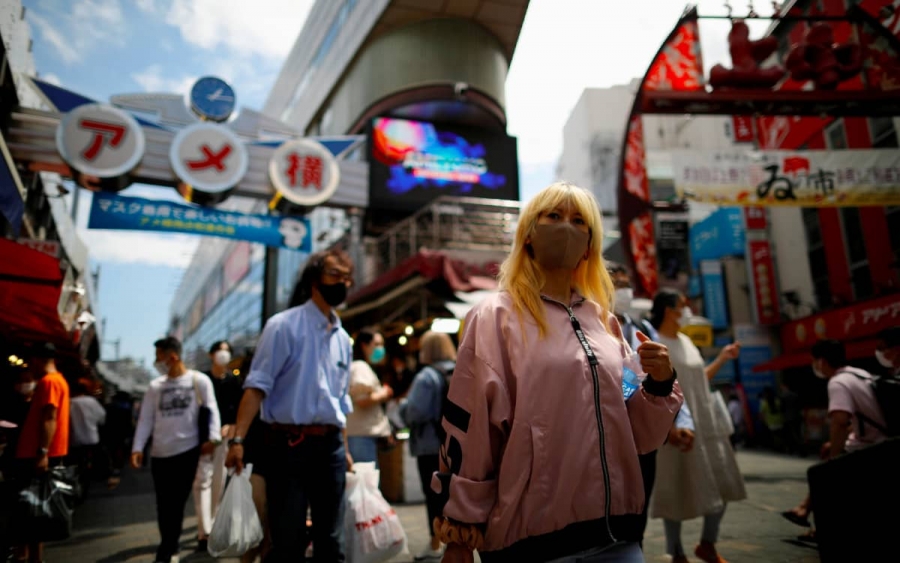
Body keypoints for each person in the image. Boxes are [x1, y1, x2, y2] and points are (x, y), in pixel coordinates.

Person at [434, 182, 683, 563]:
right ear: (529, 234)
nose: (566, 227)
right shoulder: (495, 317)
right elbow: (473, 429)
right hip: (532, 540)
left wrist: (661, 383)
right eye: (553, 216)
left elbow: (639, 435)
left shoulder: (605, 323)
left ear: (590, 245)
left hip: (619, 535)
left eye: (579, 220)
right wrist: (461, 531)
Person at [226, 249, 355, 563]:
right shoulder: (283, 326)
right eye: (335, 275)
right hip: (287, 447)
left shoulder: (343, 339)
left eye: (347, 278)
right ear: (314, 281)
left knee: (331, 539)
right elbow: (257, 386)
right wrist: (238, 439)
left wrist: (345, 450)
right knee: (288, 539)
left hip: (331, 448)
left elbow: (340, 402)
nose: (343, 283)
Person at [648, 290, 746, 563]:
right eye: (683, 305)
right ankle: (676, 552)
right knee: (675, 489)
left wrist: (722, 358)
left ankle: (708, 544)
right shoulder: (655, 342)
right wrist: (667, 427)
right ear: (669, 310)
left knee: (722, 482)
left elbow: (697, 378)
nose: (687, 310)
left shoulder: (685, 341)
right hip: (676, 428)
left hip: (706, 423)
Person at [607, 262, 696, 548]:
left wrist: (681, 422)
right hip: (603, 435)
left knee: (637, 510)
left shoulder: (643, 328)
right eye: (617, 285)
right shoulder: (585, 326)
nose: (625, 291)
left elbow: (667, 378)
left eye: (626, 284)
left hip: (642, 438)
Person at [781, 339, 888, 539]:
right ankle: (804, 510)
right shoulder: (859, 373)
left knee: (826, 476)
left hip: (868, 447)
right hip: (879, 439)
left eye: (814, 361)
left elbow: (840, 420)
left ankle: (816, 521)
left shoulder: (837, 382)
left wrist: (834, 456)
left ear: (821, 361)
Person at [131, 337, 221, 563]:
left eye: (159, 356)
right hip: (160, 453)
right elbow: (145, 419)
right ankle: (169, 543)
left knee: (178, 501)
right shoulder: (155, 387)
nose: (156, 361)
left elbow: (212, 410)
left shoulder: (199, 381)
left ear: (173, 356)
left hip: (188, 450)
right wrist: (137, 447)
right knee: (163, 503)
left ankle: (168, 548)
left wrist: (213, 439)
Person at [399, 331, 457, 561]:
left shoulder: (426, 377)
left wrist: (402, 406)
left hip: (430, 445)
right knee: (453, 495)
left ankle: (436, 543)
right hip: (456, 445)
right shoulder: (460, 368)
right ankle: (456, 539)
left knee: (434, 496)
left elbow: (414, 412)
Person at [13, 343, 70, 563]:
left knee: (28, 510)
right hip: (40, 454)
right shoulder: (58, 381)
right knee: (34, 510)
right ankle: (32, 558)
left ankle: (26, 556)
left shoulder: (49, 382)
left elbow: (49, 417)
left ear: (38, 360)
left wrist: (42, 452)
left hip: (35, 455)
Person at [193, 340, 242, 552]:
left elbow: (238, 410)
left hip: (224, 439)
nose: (223, 354)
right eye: (220, 350)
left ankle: (212, 525)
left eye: (227, 351)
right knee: (202, 482)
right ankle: (203, 531)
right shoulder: (202, 379)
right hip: (203, 440)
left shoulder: (234, 382)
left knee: (218, 483)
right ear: (211, 354)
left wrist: (230, 428)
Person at [347, 327, 393, 466]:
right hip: (361, 436)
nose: (381, 349)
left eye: (382, 344)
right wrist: (384, 393)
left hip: (362, 435)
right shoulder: (360, 366)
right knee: (366, 482)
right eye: (377, 344)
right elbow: (361, 400)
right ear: (364, 346)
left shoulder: (361, 366)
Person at [68, 378, 107, 501]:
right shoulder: (91, 401)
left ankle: (80, 484)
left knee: (77, 464)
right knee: (94, 460)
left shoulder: (69, 402)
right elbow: (102, 417)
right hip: (92, 437)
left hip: (75, 440)